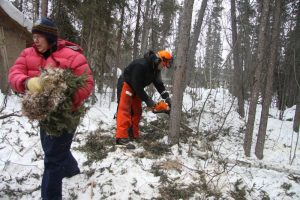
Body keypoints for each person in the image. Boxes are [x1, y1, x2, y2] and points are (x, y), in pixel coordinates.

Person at [8, 18, 94, 200]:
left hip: (66, 114)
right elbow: (14, 74)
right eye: (34, 36)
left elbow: (87, 83)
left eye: (39, 36)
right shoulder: (27, 54)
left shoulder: (73, 56)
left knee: (52, 159)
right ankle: (73, 171)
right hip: (44, 115)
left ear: (50, 37)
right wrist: (27, 82)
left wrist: (63, 101)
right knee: (53, 149)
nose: (36, 40)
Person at [116, 50, 173, 148]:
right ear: (158, 60)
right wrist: (148, 100)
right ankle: (121, 137)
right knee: (125, 109)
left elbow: (159, 84)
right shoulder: (141, 65)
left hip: (138, 87)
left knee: (137, 111)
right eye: (163, 65)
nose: (163, 67)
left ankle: (133, 134)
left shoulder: (156, 70)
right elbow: (136, 85)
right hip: (127, 84)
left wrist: (167, 98)